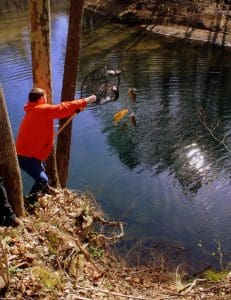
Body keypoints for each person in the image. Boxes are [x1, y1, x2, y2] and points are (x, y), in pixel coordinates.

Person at [16, 87, 96, 197]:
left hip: (30, 153)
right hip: (27, 156)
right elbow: (62, 108)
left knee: (42, 172)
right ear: (40, 99)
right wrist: (84, 101)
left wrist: (75, 108)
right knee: (42, 179)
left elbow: (60, 111)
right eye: (44, 96)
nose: (46, 99)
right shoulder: (41, 109)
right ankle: (30, 202)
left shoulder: (33, 109)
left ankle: (45, 191)